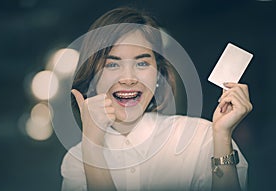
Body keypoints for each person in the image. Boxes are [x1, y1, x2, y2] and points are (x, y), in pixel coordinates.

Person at [61, 7, 252, 191]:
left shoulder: (202, 138)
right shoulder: (77, 160)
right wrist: (92, 147)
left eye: (142, 63)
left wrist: (221, 136)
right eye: (112, 65)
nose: (128, 78)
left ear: (158, 74)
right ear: (92, 77)